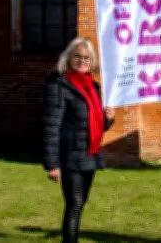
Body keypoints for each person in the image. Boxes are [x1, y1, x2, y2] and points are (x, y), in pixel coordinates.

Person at [43, 37, 115, 243]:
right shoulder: (59, 86)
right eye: (77, 56)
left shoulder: (94, 88)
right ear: (69, 58)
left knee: (80, 202)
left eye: (86, 58)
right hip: (70, 156)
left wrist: (108, 119)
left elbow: (96, 125)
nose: (82, 61)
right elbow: (51, 126)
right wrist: (52, 164)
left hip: (89, 155)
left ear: (92, 61)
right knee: (74, 203)